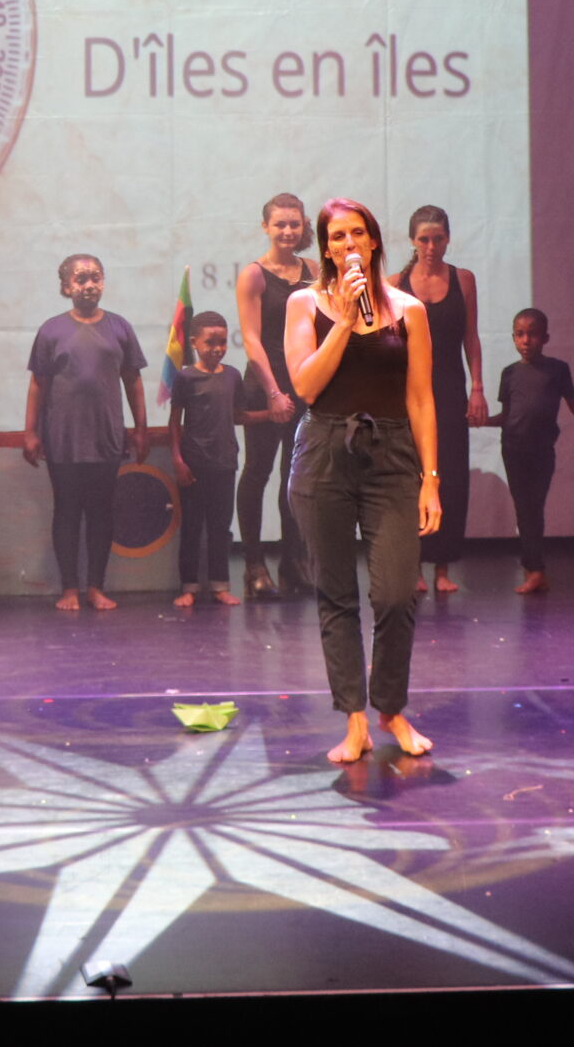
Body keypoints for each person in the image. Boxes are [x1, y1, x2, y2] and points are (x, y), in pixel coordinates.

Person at [285, 198, 440, 763]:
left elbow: (421, 398)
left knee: (396, 594)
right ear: (325, 248)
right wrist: (345, 321)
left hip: (392, 452)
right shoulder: (305, 303)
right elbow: (305, 386)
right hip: (325, 450)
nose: (348, 243)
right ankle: (354, 720)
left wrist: (431, 479)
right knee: (336, 594)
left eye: (358, 233)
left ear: (374, 241)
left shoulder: (410, 309)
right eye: (337, 236)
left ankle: (391, 708)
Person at [24, 255, 150, 612]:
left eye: (95, 278)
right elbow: (37, 384)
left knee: (100, 513)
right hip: (62, 439)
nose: (89, 285)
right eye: (80, 279)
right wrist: (30, 431)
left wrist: (140, 429)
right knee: (66, 511)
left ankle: (95, 586)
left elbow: (134, 383)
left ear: (104, 282)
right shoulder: (50, 330)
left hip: (106, 438)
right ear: (66, 287)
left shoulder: (120, 328)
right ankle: (68, 589)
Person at [495, 308, 574, 595]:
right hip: (513, 448)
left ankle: (535, 569)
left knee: (533, 509)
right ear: (514, 337)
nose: (526, 340)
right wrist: (480, 421)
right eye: (520, 334)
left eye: (532, 334)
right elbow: (507, 415)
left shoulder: (557, 370)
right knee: (524, 509)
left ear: (545, 337)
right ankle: (535, 570)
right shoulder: (510, 374)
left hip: (541, 449)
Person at [394, 206, 486, 595]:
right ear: (413, 242)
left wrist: (477, 387)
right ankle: (412, 567)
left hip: (449, 388)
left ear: (448, 239)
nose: (431, 247)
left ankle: (443, 569)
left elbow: (471, 337)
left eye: (438, 239)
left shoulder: (463, 279)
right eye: (424, 240)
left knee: (448, 476)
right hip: (409, 391)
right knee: (410, 476)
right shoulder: (394, 283)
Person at [233, 194, 317, 600]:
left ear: (304, 228)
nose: (287, 231)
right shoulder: (254, 275)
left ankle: (294, 564)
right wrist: (273, 393)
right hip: (265, 388)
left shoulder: (315, 272)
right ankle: (253, 567)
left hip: (304, 388)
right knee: (258, 473)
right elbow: (251, 339)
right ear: (265, 227)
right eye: (280, 224)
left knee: (296, 480)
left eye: (294, 225)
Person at [169, 311, 284, 608]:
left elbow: (239, 416)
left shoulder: (233, 376)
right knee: (193, 527)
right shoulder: (185, 378)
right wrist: (178, 459)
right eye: (210, 343)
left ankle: (220, 585)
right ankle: (189, 586)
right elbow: (174, 422)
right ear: (195, 342)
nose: (217, 348)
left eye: (222, 342)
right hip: (194, 464)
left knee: (220, 527)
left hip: (224, 462)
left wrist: (270, 415)